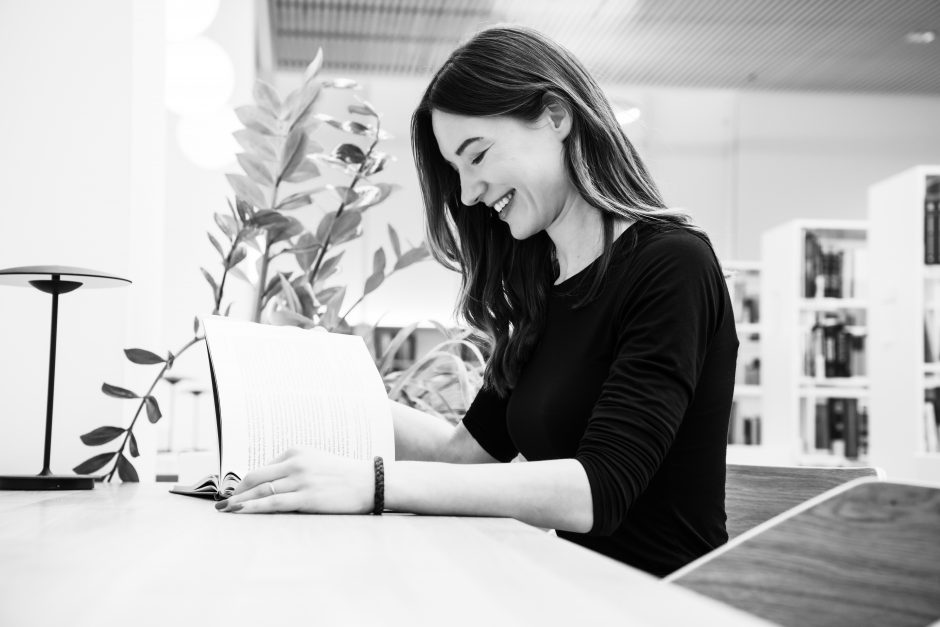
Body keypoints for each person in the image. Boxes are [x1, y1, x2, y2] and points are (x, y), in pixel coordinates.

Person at [218, 25, 739, 578]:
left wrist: (370, 482)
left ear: (556, 117)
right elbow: (462, 453)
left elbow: (598, 490)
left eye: (478, 155)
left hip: (662, 601)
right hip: (573, 590)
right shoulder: (543, 288)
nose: (467, 194)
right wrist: (328, 387)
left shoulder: (673, 265)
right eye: (456, 171)